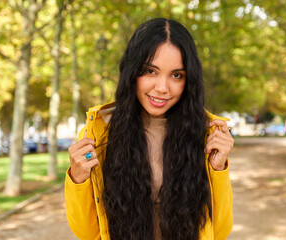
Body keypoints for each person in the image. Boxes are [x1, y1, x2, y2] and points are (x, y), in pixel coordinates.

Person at [65, 18, 233, 240]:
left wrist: (217, 168)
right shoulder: (98, 132)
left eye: (176, 75)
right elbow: (87, 233)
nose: (162, 88)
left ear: (188, 79)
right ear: (132, 72)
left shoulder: (205, 134)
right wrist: (78, 177)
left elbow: (219, 232)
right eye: (150, 71)